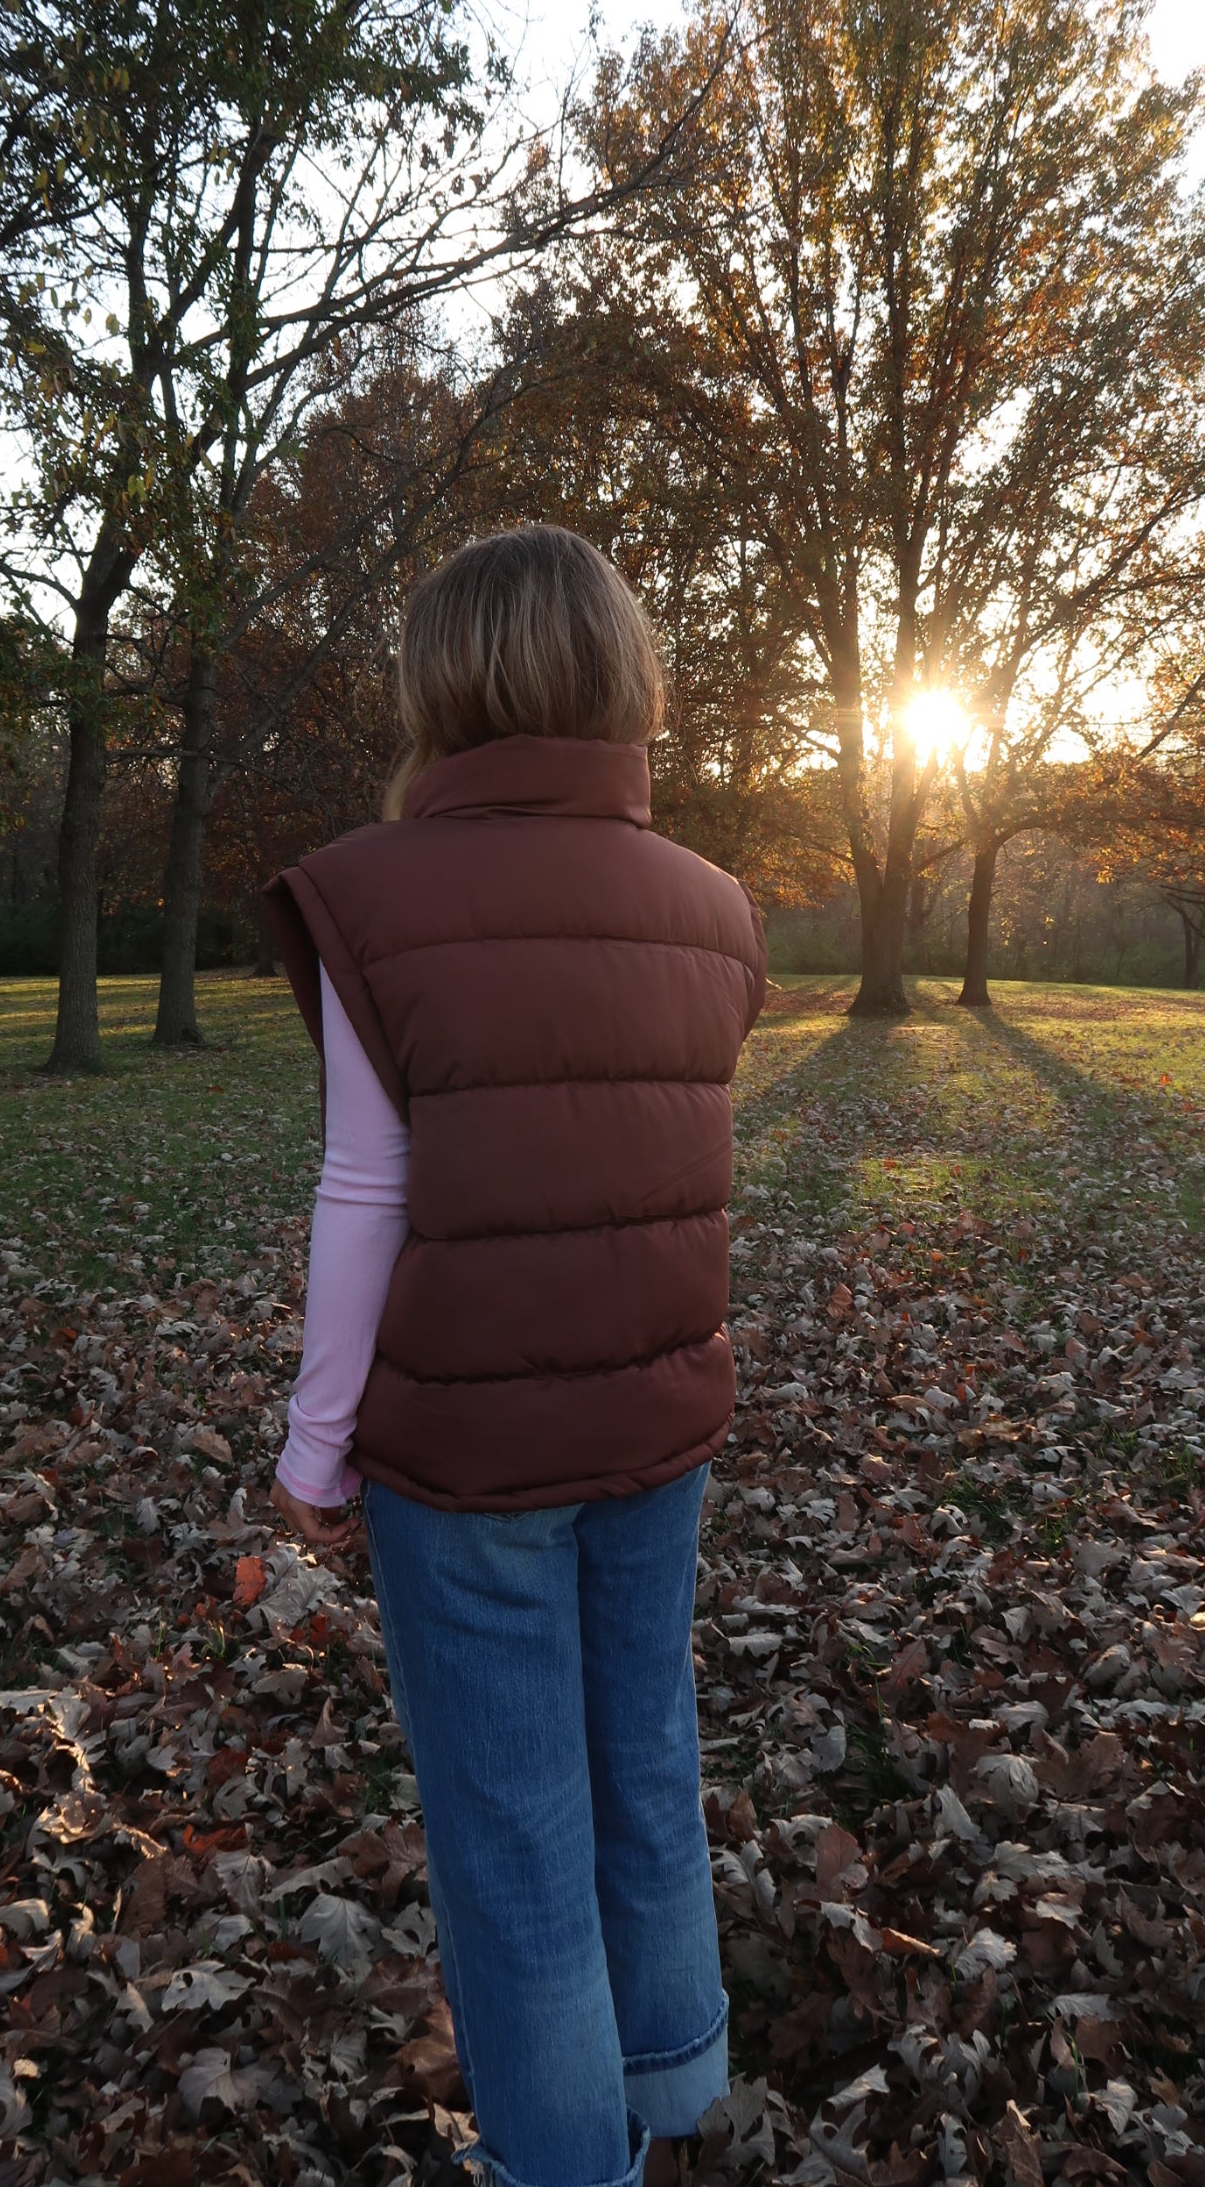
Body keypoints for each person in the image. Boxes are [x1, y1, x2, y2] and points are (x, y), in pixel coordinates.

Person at [263, 526, 769, 2187]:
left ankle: (575, 2162)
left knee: (515, 1832)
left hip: (467, 1463)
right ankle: (673, 2092)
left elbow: (365, 1185)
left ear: (445, 680)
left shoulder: (372, 894)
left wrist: (315, 1446)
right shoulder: (713, 908)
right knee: (644, 1759)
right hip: (658, 1423)